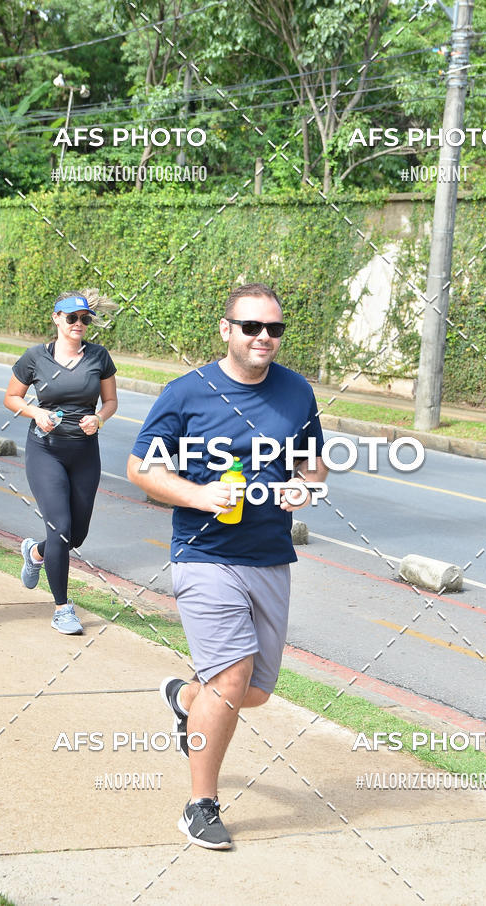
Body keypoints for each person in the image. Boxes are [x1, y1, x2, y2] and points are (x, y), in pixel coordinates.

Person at [127, 283, 328, 850]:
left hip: (270, 556)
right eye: (252, 328)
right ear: (226, 330)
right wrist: (198, 496)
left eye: (274, 329)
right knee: (232, 675)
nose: (264, 338)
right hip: (204, 553)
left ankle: (185, 699)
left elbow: (314, 468)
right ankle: (201, 804)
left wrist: (304, 491)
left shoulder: (296, 392)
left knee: (253, 691)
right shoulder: (187, 394)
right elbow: (140, 468)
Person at [4, 292, 118, 634]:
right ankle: (62, 609)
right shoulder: (35, 357)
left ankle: (36, 553)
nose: (79, 325)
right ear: (56, 318)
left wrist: (98, 419)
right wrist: (35, 411)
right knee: (60, 528)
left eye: (84, 319)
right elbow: (11, 397)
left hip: (84, 453)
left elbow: (111, 402)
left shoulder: (99, 356)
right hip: (46, 451)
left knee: (75, 535)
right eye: (72, 318)